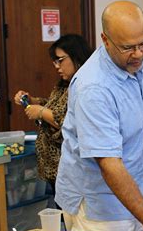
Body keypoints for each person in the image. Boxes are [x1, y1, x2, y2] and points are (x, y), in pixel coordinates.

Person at [55, 1, 143, 231]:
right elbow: (109, 165)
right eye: (128, 47)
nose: (138, 53)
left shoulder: (136, 62)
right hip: (100, 207)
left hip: (136, 195)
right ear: (105, 40)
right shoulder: (95, 89)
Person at [14, 34, 92, 193]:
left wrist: (41, 112)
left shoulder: (87, 86)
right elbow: (54, 107)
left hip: (71, 168)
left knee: (71, 213)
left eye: (60, 60)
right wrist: (32, 101)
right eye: (54, 62)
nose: (57, 66)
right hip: (55, 167)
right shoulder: (65, 83)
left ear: (76, 56)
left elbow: (71, 124)